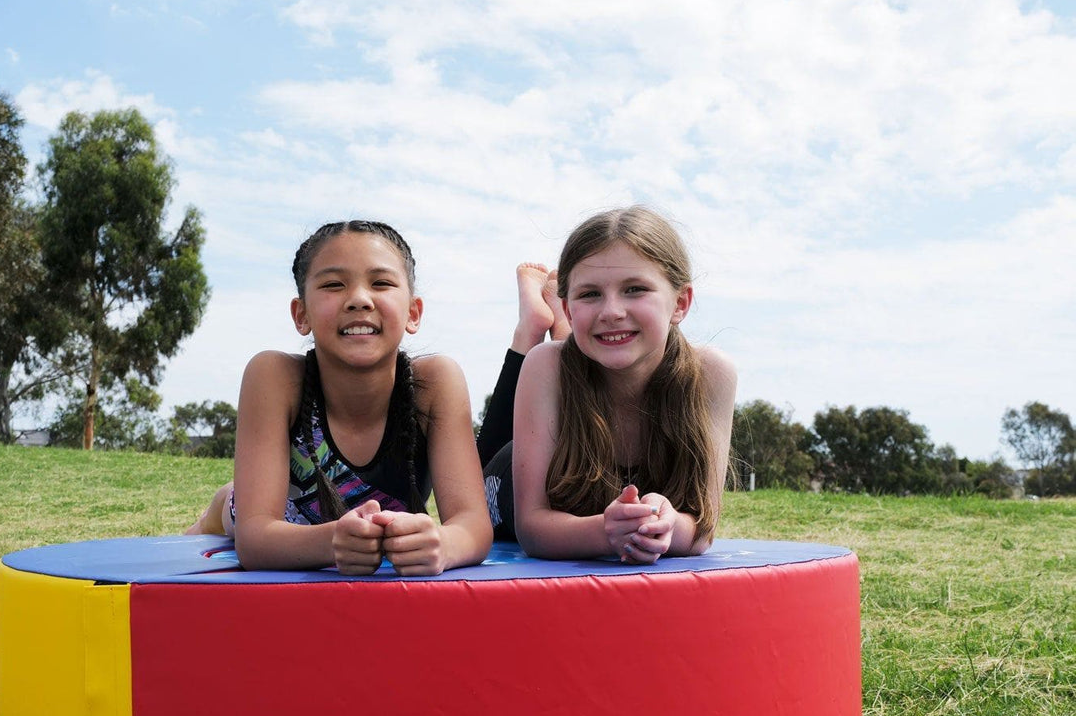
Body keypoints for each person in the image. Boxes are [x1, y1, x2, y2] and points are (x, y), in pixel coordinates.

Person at [188, 220, 492, 575]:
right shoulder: (276, 377)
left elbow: (473, 524)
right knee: (231, 504)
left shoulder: (435, 383)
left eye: (381, 283)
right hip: (278, 518)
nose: (359, 300)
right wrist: (332, 542)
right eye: (334, 285)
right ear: (301, 315)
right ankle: (213, 510)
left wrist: (443, 545)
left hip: (348, 534)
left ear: (413, 312)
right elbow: (254, 538)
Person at [481, 206, 736, 562]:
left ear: (680, 303)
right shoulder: (545, 366)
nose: (612, 310)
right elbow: (532, 529)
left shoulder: (710, 372)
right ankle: (531, 327)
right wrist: (605, 532)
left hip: (578, 371)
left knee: (593, 342)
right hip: (508, 475)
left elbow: (701, 528)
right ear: (572, 310)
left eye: (635, 289)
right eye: (590, 294)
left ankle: (562, 309)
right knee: (551, 365)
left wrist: (668, 524)